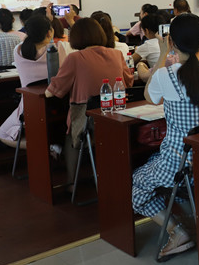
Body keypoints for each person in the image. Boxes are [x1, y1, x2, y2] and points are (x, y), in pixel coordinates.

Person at [131, 13, 199, 260]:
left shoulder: (167, 75)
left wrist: (163, 54)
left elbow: (150, 98)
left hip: (179, 162)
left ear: (171, 41)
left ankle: (178, 231)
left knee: (136, 187)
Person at [45, 18, 134, 182]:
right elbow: (128, 82)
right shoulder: (117, 54)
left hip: (87, 121)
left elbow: (54, 91)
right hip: (117, 116)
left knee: (69, 135)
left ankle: (71, 183)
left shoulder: (75, 58)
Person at [0, 15, 52, 149]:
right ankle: (49, 145)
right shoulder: (59, 48)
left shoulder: (18, 51)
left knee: (2, 134)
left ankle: (46, 147)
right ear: (49, 32)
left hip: (30, 107)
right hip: (60, 104)